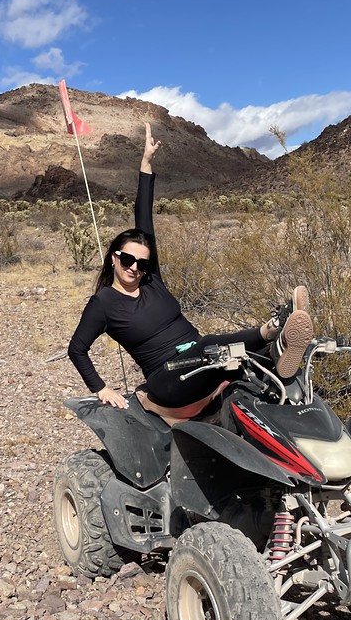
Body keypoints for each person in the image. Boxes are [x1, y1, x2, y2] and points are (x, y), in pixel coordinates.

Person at [67, 123, 313, 411]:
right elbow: (77, 349)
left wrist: (146, 165)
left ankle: (276, 339)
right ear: (113, 257)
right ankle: (271, 333)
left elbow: (144, 220)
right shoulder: (103, 303)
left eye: (142, 262)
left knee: (228, 352)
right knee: (212, 347)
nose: (134, 267)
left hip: (201, 357)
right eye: (127, 259)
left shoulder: (150, 280)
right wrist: (101, 388)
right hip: (168, 379)